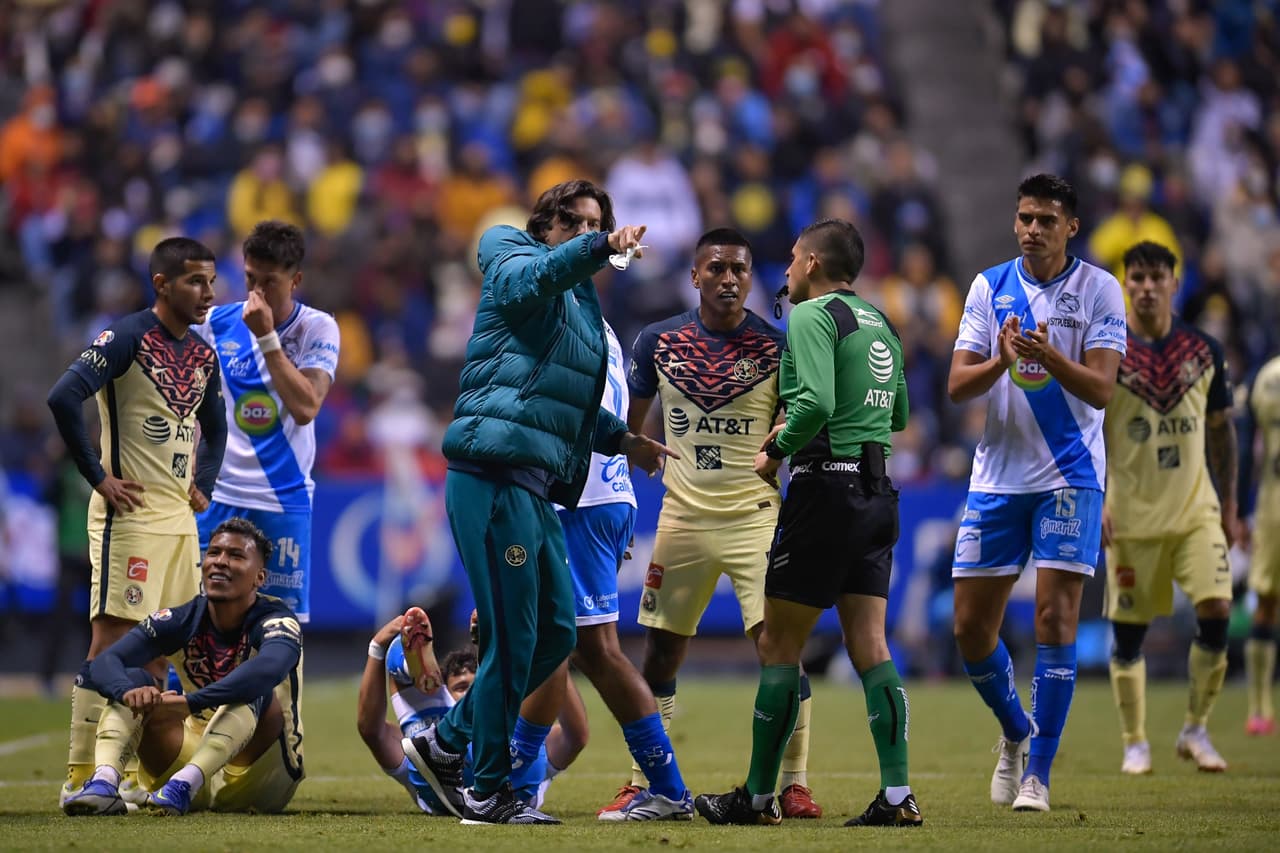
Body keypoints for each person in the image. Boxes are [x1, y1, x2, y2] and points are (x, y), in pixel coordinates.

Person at [401, 179, 673, 825]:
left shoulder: (581, 308)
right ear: (544, 225)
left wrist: (623, 440)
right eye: (571, 222)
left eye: (594, 224)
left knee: (555, 634)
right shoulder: (507, 248)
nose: (582, 232)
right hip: (492, 471)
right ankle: (487, 789)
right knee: (515, 636)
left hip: (536, 484)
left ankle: (446, 741)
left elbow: (569, 408)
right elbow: (531, 282)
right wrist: (599, 246)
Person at [694, 219, 920, 827]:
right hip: (878, 493)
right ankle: (897, 796)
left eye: (795, 258)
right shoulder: (881, 321)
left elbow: (815, 401)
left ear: (814, 263)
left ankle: (756, 797)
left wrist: (776, 447)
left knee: (778, 645)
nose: (788, 269)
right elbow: (899, 413)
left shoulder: (812, 316)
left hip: (826, 490)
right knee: (871, 646)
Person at [619, 227, 823, 821]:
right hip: (682, 517)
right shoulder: (657, 341)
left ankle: (795, 784)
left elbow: (797, 423)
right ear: (694, 275)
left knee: (779, 648)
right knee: (660, 654)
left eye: (738, 269)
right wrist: (639, 452)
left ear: (751, 277)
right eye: (716, 268)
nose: (728, 279)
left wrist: (781, 448)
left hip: (755, 517)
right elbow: (629, 428)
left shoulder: (778, 347)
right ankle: (644, 781)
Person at [946, 174, 1127, 813]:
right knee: (971, 629)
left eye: (1046, 220)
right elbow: (957, 386)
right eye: (1025, 217)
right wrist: (1001, 360)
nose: (1032, 229)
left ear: (1070, 227)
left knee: (1055, 617)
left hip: (1070, 475)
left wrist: (1048, 358)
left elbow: (1102, 390)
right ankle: (1015, 730)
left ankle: (1038, 776)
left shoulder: (1099, 290)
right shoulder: (989, 286)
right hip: (998, 476)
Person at [47, 236, 228, 807]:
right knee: (111, 644)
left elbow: (217, 426)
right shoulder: (126, 337)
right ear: (162, 284)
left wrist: (204, 481)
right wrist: (99, 477)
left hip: (180, 523)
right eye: (195, 281)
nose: (207, 292)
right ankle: (80, 777)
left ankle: (122, 774)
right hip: (129, 519)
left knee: (156, 655)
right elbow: (63, 396)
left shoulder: (202, 354)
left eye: (211, 281)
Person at [514, 318, 693, 822]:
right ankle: (517, 780)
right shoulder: (594, 321)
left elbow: (556, 406)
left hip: (580, 499)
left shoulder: (556, 315)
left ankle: (667, 789)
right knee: (559, 643)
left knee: (595, 650)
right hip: (599, 494)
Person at [1102, 241, 1239, 774]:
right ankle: (1134, 742)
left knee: (1218, 608)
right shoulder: (1107, 354)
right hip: (1130, 516)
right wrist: (1097, 496)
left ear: (1174, 284)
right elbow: (1088, 431)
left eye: (1156, 277)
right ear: (1125, 285)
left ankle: (1195, 729)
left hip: (1195, 511)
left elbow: (1222, 431)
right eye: (1136, 278)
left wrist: (1229, 505)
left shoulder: (1204, 352)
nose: (1146, 288)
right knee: (1129, 633)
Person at [62, 518, 304, 816]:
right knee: (137, 681)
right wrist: (127, 693)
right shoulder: (181, 619)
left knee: (253, 686)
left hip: (260, 775)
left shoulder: (277, 619)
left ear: (259, 578)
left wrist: (191, 703)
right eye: (214, 553)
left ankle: (183, 784)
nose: (220, 561)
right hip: (190, 761)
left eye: (235, 556)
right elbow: (104, 662)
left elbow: (268, 670)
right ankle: (104, 781)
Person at [195, 220, 339, 624]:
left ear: (295, 280)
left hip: (282, 499)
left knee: (278, 632)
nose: (256, 294)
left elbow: (306, 407)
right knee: (200, 623)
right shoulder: (214, 324)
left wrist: (267, 338)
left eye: (269, 282)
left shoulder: (316, 328)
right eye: (249, 279)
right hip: (218, 496)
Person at [358, 608, 587, 815]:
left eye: (472, 686)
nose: (469, 693)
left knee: (431, 731)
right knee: (431, 727)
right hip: (503, 775)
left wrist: (554, 655)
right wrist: (377, 648)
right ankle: (420, 667)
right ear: (448, 693)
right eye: (461, 688)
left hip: (491, 776)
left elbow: (574, 737)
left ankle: (417, 668)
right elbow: (372, 730)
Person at [1242, 352, 1280, 736]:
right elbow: (1243, 449)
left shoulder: (1263, 376)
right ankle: (1259, 708)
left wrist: (1238, 509)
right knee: (1267, 602)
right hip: (1271, 507)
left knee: (1267, 602)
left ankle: (1259, 709)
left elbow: (1243, 450)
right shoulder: (1264, 376)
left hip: (1271, 509)